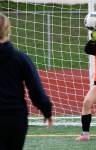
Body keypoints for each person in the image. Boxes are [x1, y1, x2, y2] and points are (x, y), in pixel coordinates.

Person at [0, 13, 53, 149]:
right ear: (8, 30)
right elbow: (35, 89)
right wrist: (46, 110)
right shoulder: (21, 59)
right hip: (15, 118)